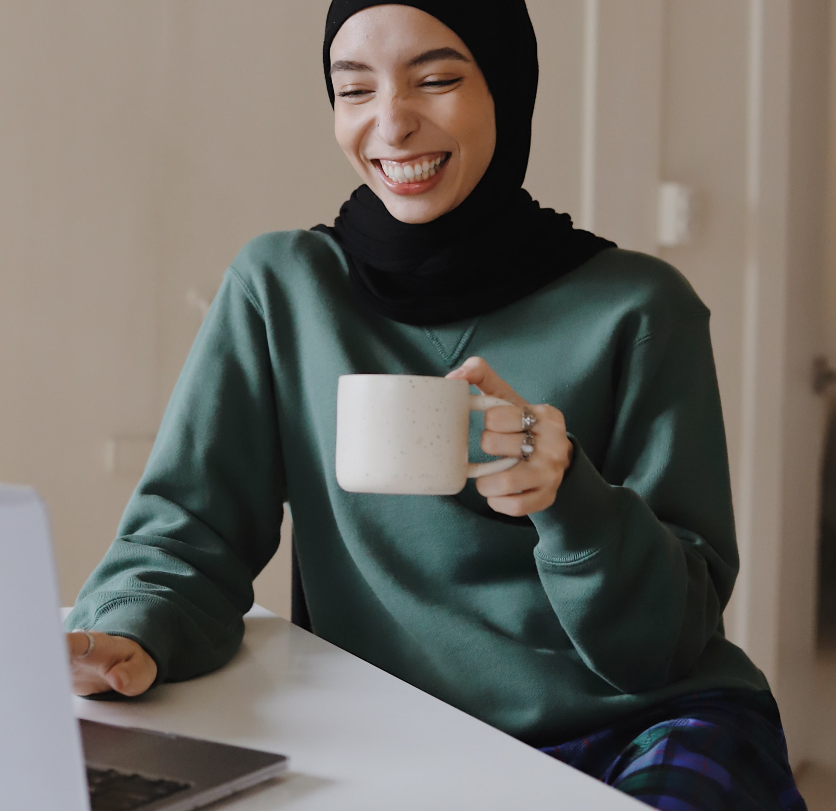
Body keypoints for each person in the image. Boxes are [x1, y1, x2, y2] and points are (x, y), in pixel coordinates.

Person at [64, 2, 807, 808]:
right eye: (354, 91)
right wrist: (128, 632)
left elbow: (667, 644)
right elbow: (186, 532)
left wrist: (570, 499)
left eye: (439, 79)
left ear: (507, 88)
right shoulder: (282, 289)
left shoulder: (641, 308)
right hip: (398, 735)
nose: (393, 123)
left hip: (642, 725)